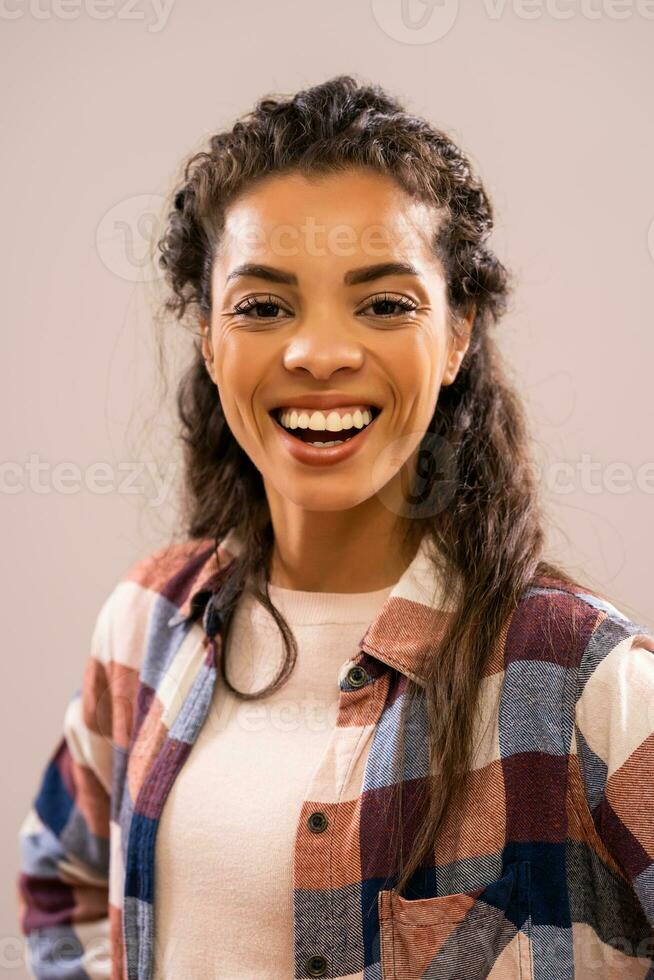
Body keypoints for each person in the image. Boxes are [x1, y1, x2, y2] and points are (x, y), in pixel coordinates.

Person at [16, 74, 654, 980]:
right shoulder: (147, 619)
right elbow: (61, 884)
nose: (319, 353)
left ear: (459, 333)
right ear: (208, 336)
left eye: (385, 303)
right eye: (264, 306)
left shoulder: (587, 682)